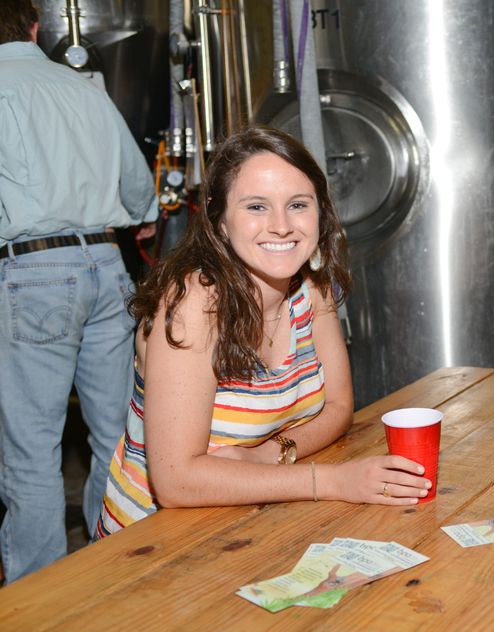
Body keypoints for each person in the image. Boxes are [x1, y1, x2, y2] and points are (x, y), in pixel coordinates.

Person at [96, 125, 430, 538]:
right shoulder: (194, 306)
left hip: (250, 524)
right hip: (150, 544)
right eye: (256, 206)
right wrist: (331, 481)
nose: (281, 225)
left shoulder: (312, 287)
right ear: (220, 220)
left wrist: (271, 454)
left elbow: (339, 406)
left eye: (298, 204)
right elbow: (176, 481)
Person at [0, 0, 157, 583]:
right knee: (116, 434)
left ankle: (39, 600)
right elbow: (137, 186)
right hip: (108, 265)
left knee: (31, 449)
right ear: (36, 27)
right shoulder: (83, 88)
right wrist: (143, 215)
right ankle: (114, 574)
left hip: (33, 271)